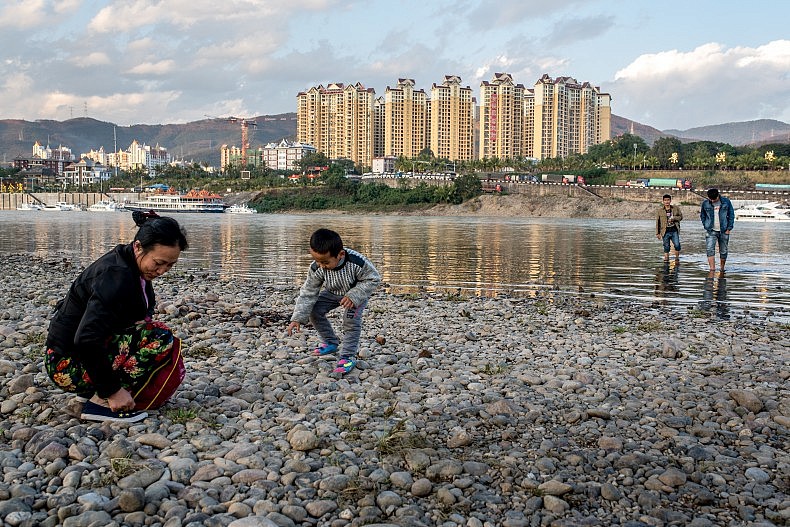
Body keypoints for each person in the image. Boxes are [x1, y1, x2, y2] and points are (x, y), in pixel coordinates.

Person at [45, 211, 188, 423]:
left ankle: (97, 391)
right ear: (138, 247)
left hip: (77, 355)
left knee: (151, 331)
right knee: (159, 338)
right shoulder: (116, 275)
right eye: (159, 263)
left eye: (169, 265)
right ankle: (102, 402)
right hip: (65, 364)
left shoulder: (131, 265)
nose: (162, 271)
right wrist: (112, 390)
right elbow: (86, 338)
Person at [286, 228, 381, 374]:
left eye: (325, 262)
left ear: (340, 254)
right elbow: (308, 292)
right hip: (332, 293)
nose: (321, 265)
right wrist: (298, 317)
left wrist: (354, 295)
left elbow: (373, 278)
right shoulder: (316, 267)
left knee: (350, 322)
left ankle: (348, 355)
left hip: (355, 294)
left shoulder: (356, 262)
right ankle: (331, 342)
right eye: (317, 260)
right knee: (314, 311)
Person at [699, 188, 735, 272]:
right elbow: (702, 215)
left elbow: (731, 214)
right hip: (711, 230)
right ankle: (712, 269)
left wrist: (729, 228)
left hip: (724, 230)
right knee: (709, 249)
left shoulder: (726, 202)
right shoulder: (705, 203)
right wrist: (705, 225)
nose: (712, 201)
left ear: (718, 196)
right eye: (710, 199)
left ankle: (722, 268)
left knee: (723, 250)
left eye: (714, 199)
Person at [655, 194, 683, 260]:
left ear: (670, 201)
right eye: (665, 200)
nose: (667, 202)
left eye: (668, 200)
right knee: (666, 247)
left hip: (674, 230)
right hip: (665, 231)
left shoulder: (676, 208)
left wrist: (674, 218)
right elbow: (658, 222)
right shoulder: (660, 211)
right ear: (663, 201)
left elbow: (681, 217)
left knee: (677, 245)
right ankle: (666, 260)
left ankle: (677, 259)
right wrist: (657, 233)